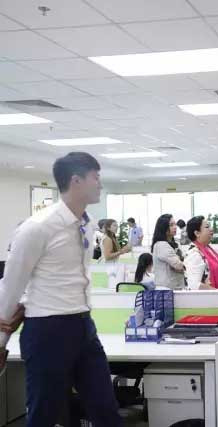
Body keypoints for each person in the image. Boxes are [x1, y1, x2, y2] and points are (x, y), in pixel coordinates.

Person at [0, 152, 122, 426]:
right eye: (96, 177)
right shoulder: (37, 227)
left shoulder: (87, 224)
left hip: (83, 326)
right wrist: (1, 343)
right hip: (47, 330)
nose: (100, 184)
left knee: (106, 410)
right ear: (76, 181)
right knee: (44, 414)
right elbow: (11, 285)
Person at [184, 216, 218, 291]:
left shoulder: (208, 249)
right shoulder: (194, 254)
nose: (211, 229)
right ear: (197, 233)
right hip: (212, 297)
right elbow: (194, 285)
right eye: (207, 227)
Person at [151, 214, 185, 289]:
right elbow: (179, 265)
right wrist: (182, 265)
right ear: (163, 227)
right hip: (166, 289)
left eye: (175, 224)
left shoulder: (175, 243)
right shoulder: (161, 245)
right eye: (171, 225)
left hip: (175, 287)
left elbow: (182, 263)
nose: (175, 227)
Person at [102, 219, 131, 289]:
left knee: (116, 287)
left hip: (114, 266)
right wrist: (121, 251)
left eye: (117, 225)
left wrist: (125, 249)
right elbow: (108, 256)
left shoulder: (113, 238)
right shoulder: (108, 239)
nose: (117, 227)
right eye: (114, 225)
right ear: (108, 228)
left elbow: (118, 251)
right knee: (113, 288)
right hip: (110, 267)